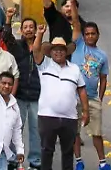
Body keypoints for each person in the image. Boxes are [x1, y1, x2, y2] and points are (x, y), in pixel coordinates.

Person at [35, 37, 88, 170]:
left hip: (70, 118)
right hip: (47, 116)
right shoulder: (44, 64)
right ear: (51, 52)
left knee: (68, 151)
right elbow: (36, 50)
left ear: (66, 52)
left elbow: (81, 90)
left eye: (61, 50)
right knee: (47, 150)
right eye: (55, 50)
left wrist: (86, 111)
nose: (58, 52)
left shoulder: (74, 68)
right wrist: (40, 34)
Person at [3, 14, 45, 169]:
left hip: (36, 95)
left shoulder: (41, 46)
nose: (28, 30)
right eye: (25, 27)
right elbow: (6, 36)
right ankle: (13, 160)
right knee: (15, 129)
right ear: (20, 30)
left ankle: (35, 162)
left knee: (36, 130)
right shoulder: (16, 46)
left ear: (35, 30)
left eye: (31, 27)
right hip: (19, 95)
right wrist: (8, 19)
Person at [73, 21, 111, 170]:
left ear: (98, 35)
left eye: (93, 33)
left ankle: (102, 162)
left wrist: (99, 98)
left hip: (92, 98)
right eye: (87, 34)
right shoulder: (79, 46)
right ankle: (79, 161)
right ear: (83, 36)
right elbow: (76, 24)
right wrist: (73, 4)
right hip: (74, 98)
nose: (90, 36)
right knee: (74, 132)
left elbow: (103, 78)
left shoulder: (102, 56)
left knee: (96, 132)